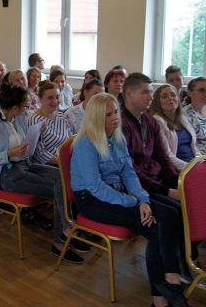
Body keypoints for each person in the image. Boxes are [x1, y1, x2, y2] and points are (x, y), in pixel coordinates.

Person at [71, 93, 188, 307]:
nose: (115, 117)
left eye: (116, 111)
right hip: (92, 200)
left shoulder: (117, 138)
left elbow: (129, 174)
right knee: (155, 228)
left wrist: (142, 199)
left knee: (170, 214)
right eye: (108, 115)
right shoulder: (86, 144)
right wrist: (133, 202)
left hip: (120, 192)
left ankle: (172, 277)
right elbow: (95, 187)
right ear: (96, 118)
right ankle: (160, 298)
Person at [0, 84, 87, 263]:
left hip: (25, 164)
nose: (28, 109)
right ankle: (62, 239)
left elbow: (28, 143)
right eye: (25, 106)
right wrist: (8, 154)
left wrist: (36, 134)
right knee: (60, 188)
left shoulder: (20, 117)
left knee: (65, 179)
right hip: (6, 174)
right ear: (14, 108)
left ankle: (66, 233)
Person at [121, 73, 178, 197]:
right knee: (176, 208)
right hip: (137, 187)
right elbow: (130, 168)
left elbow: (162, 156)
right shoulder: (121, 125)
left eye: (151, 92)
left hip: (156, 180)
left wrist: (177, 181)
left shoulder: (150, 121)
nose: (151, 97)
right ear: (130, 94)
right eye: (145, 92)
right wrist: (166, 191)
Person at [151, 84, 200, 172]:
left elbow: (194, 147)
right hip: (176, 170)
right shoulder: (157, 121)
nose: (170, 98)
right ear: (158, 102)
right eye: (164, 97)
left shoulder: (183, 119)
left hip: (192, 165)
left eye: (173, 95)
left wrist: (200, 162)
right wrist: (191, 169)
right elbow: (167, 155)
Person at [28, 81, 73, 165]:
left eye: (57, 97)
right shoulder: (35, 120)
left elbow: (71, 140)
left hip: (65, 161)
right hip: (46, 165)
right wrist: (64, 163)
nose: (55, 101)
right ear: (40, 99)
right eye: (50, 98)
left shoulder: (61, 116)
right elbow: (39, 153)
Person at [183, 77, 206, 154]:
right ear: (189, 93)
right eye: (201, 90)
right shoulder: (184, 115)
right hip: (199, 157)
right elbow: (191, 145)